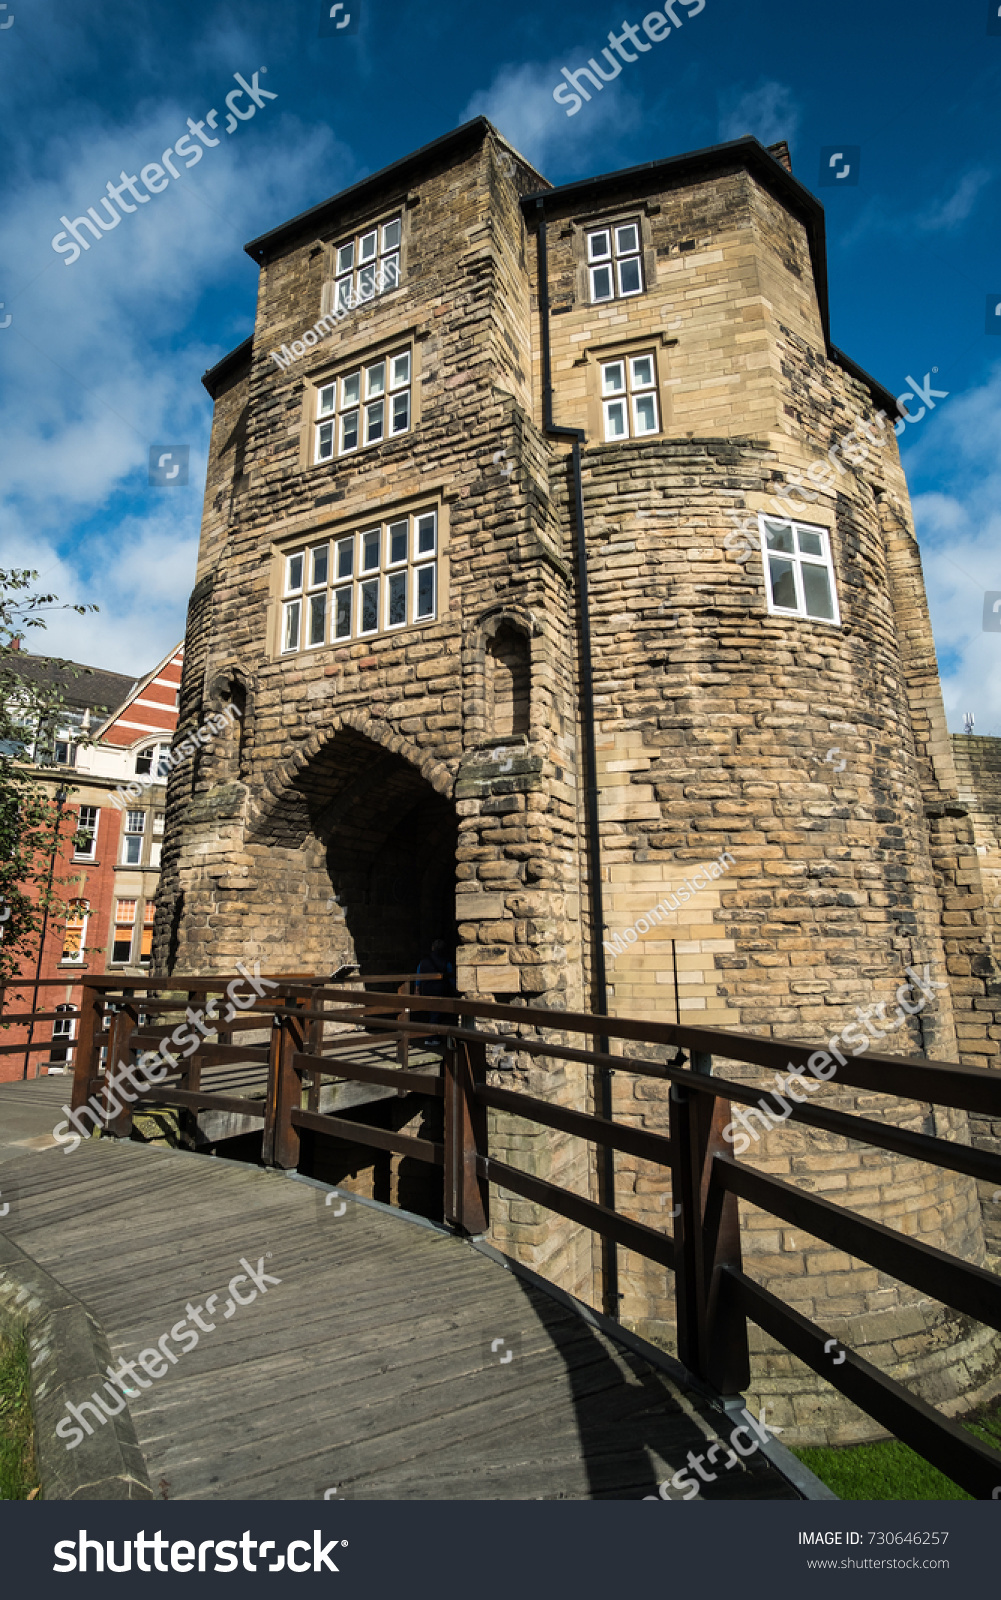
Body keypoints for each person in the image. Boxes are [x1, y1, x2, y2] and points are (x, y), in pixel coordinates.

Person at [415, 938, 456, 1047]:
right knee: (436, 1015)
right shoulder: (446, 962)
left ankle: (433, 1036)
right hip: (440, 991)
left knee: (431, 1014)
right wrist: (455, 989)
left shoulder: (423, 962)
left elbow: (418, 976)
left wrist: (417, 990)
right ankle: (430, 1037)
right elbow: (451, 977)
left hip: (427, 990)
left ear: (432, 948)